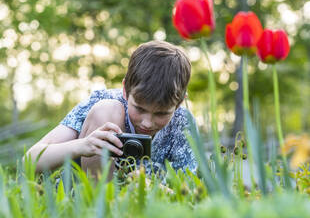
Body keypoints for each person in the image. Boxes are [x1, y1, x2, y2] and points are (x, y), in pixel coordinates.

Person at [25, 40, 198, 179]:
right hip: (78, 196)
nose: (147, 122)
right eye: (139, 108)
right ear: (125, 89)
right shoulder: (103, 101)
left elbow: (187, 190)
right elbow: (28, 161)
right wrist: (83, 145)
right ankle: (98, 206)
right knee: (107, 110)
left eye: (161, 113)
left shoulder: (183, 123)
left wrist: (151, 189)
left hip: (143, 209)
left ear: (180, 102)